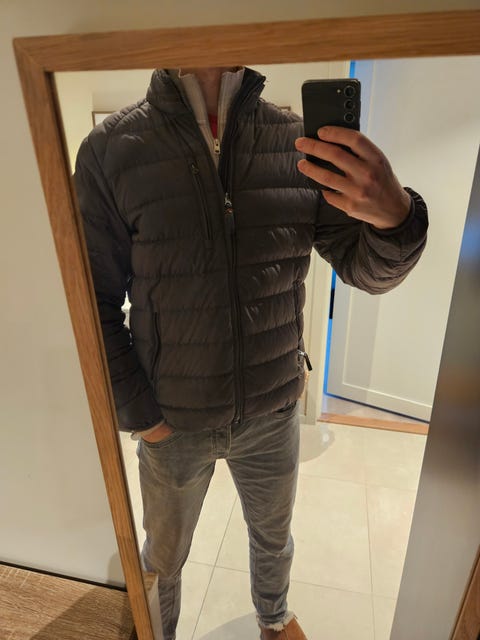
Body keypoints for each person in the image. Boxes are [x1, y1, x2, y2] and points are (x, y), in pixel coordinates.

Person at [74, 66, 428, 640]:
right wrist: (142, 416)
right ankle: (156, 632)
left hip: (273, 410)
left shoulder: (296, 142)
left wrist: (397, 221)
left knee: (273, 538)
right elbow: (92, 300)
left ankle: (273, 619)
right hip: (172, 420)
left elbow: (363, 269)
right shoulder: (110, 150)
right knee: (164, 555)